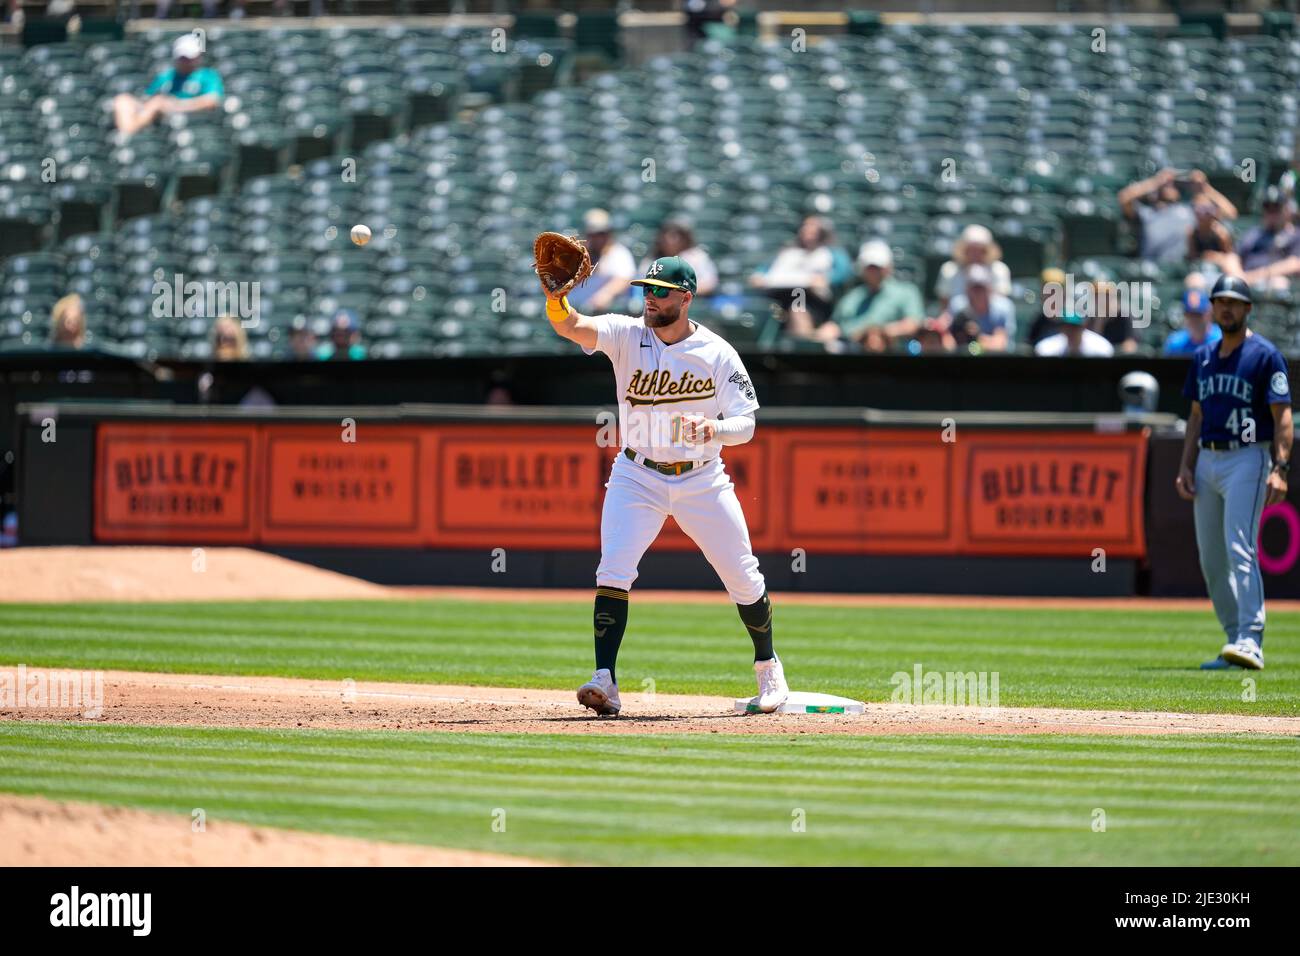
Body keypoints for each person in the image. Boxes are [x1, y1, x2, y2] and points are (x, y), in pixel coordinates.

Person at [544, 255, 788, 716]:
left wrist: (714, 430)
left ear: (686, 297)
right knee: (613, 571)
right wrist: (557, 302)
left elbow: (747, 424)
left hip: (701, 478)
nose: (650, 298)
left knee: (742, 574)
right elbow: (571, 327)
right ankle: (605, 681)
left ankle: (768, 667)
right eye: (646, 290)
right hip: (636, 474)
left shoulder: (717, 352)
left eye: (659, 291)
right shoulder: (625, 333)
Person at [1176, 275, 1292, 671]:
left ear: (1248, 309)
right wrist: (1185, 465)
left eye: (1234, 302)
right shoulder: (1204, 357)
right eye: (1220, 301)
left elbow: (1283, 417)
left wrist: (1281, 467)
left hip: (1248, 456)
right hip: (1208, 457)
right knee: (1211, 557)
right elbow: (1195, 416)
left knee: (1239, 546)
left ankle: (1252, 638)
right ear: (1212, 308)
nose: (1226, 308)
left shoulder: (1264, 355)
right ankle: (1233, 640)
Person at [749, 215, 851, 338]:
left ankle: (805, 345)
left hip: (812, 299)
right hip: (780, 297)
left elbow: (844, 272)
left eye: (813, 226)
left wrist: (827, 279)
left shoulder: (831, 252)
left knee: (797, 309)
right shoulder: (787, 252)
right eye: (805, 226)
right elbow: (763, 271)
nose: (808, 230)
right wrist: (758, 277)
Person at [817, 240, 925, 352]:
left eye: (877, 267)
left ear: (888, 267)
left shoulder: (906, 292)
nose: (873, 272)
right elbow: (835, 324)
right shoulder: (852, 297)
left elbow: (913, 324)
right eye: (869, 267)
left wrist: (875, 334)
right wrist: (827, 331)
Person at [113, 34, 224, 138]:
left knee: (158, 102)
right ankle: (126, 133)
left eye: (189, 58)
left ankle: (128, 134)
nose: (186, 62)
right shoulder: (167, 76)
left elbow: (211, 100)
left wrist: (179, 105)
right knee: (123, 100)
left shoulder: (208, 75)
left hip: (190, 114)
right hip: (162, 113)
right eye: (183, 58)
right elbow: (148, 97)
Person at [1119, 168, 1237, 264]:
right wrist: (1156, 181)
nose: (1170, 186)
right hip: (1150, 268)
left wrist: (1204, 187)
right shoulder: (1146, 212)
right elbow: (1124, 198)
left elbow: (1230, 213)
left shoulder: (1190, 210)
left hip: (1181, 269)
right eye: (1167, 185)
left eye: (1174, 184)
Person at [564, 208, 637, 314]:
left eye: (602, 233)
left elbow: (625, 279)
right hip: (573, 311)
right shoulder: (579, 254)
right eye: (594, 234)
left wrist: (605, 295)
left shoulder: (618, 253)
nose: (598, 238)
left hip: (602, 314)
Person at [936, 264, 1016, 352]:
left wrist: (975, 337)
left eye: (981, 288)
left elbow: (1000, 344)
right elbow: (947, 338)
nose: (977, 293)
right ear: (967, 289)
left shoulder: (1003, 308)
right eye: (974, 288)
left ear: (989, 289)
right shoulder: (957, 305)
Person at [933, 224, 1012, 306]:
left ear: (986, 251)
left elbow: (1001, 304)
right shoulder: (949, 270)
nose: (975, 254)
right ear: (964, 250)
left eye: (980, 250)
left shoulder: (999, 270)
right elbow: (945, 305)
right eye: (971, 250)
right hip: (957, 317)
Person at [1240, 186, 1300, 289]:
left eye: (1276, 208)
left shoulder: (1295, 235)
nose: (1272, 213)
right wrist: (1239, 277)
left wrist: (1256, 276)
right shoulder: (1253, 234)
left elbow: (1296, 264)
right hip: (1246, 280)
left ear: (1287, 210)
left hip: (1275, 284)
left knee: (1278, 284)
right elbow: (1232, 257)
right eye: (1268, 208)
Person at [1186, 201, 1241, 274]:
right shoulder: (1193, 233)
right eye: (1200, 214)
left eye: (1206, 214)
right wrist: (1203, 256)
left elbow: (1230, 257)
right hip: (1200, 266)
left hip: (1221, 266)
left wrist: (1215, 256)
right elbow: (1192, 256)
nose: (1202, 218)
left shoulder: (1221, 233)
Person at [1163, 288, 1221, 356]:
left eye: (1198, 315)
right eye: (1190, 315)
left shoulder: (1221, 339)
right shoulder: (1175, 343)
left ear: (1209, 313)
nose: (1194, 319)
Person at [1034, 310, 1114, 357]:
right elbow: (1041, 349)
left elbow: (1107, 351)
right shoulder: (1049, 347)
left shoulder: (1100, 347)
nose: (1070, 331)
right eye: (1066, 326)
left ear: (1083, 326)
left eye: (1074, 327)